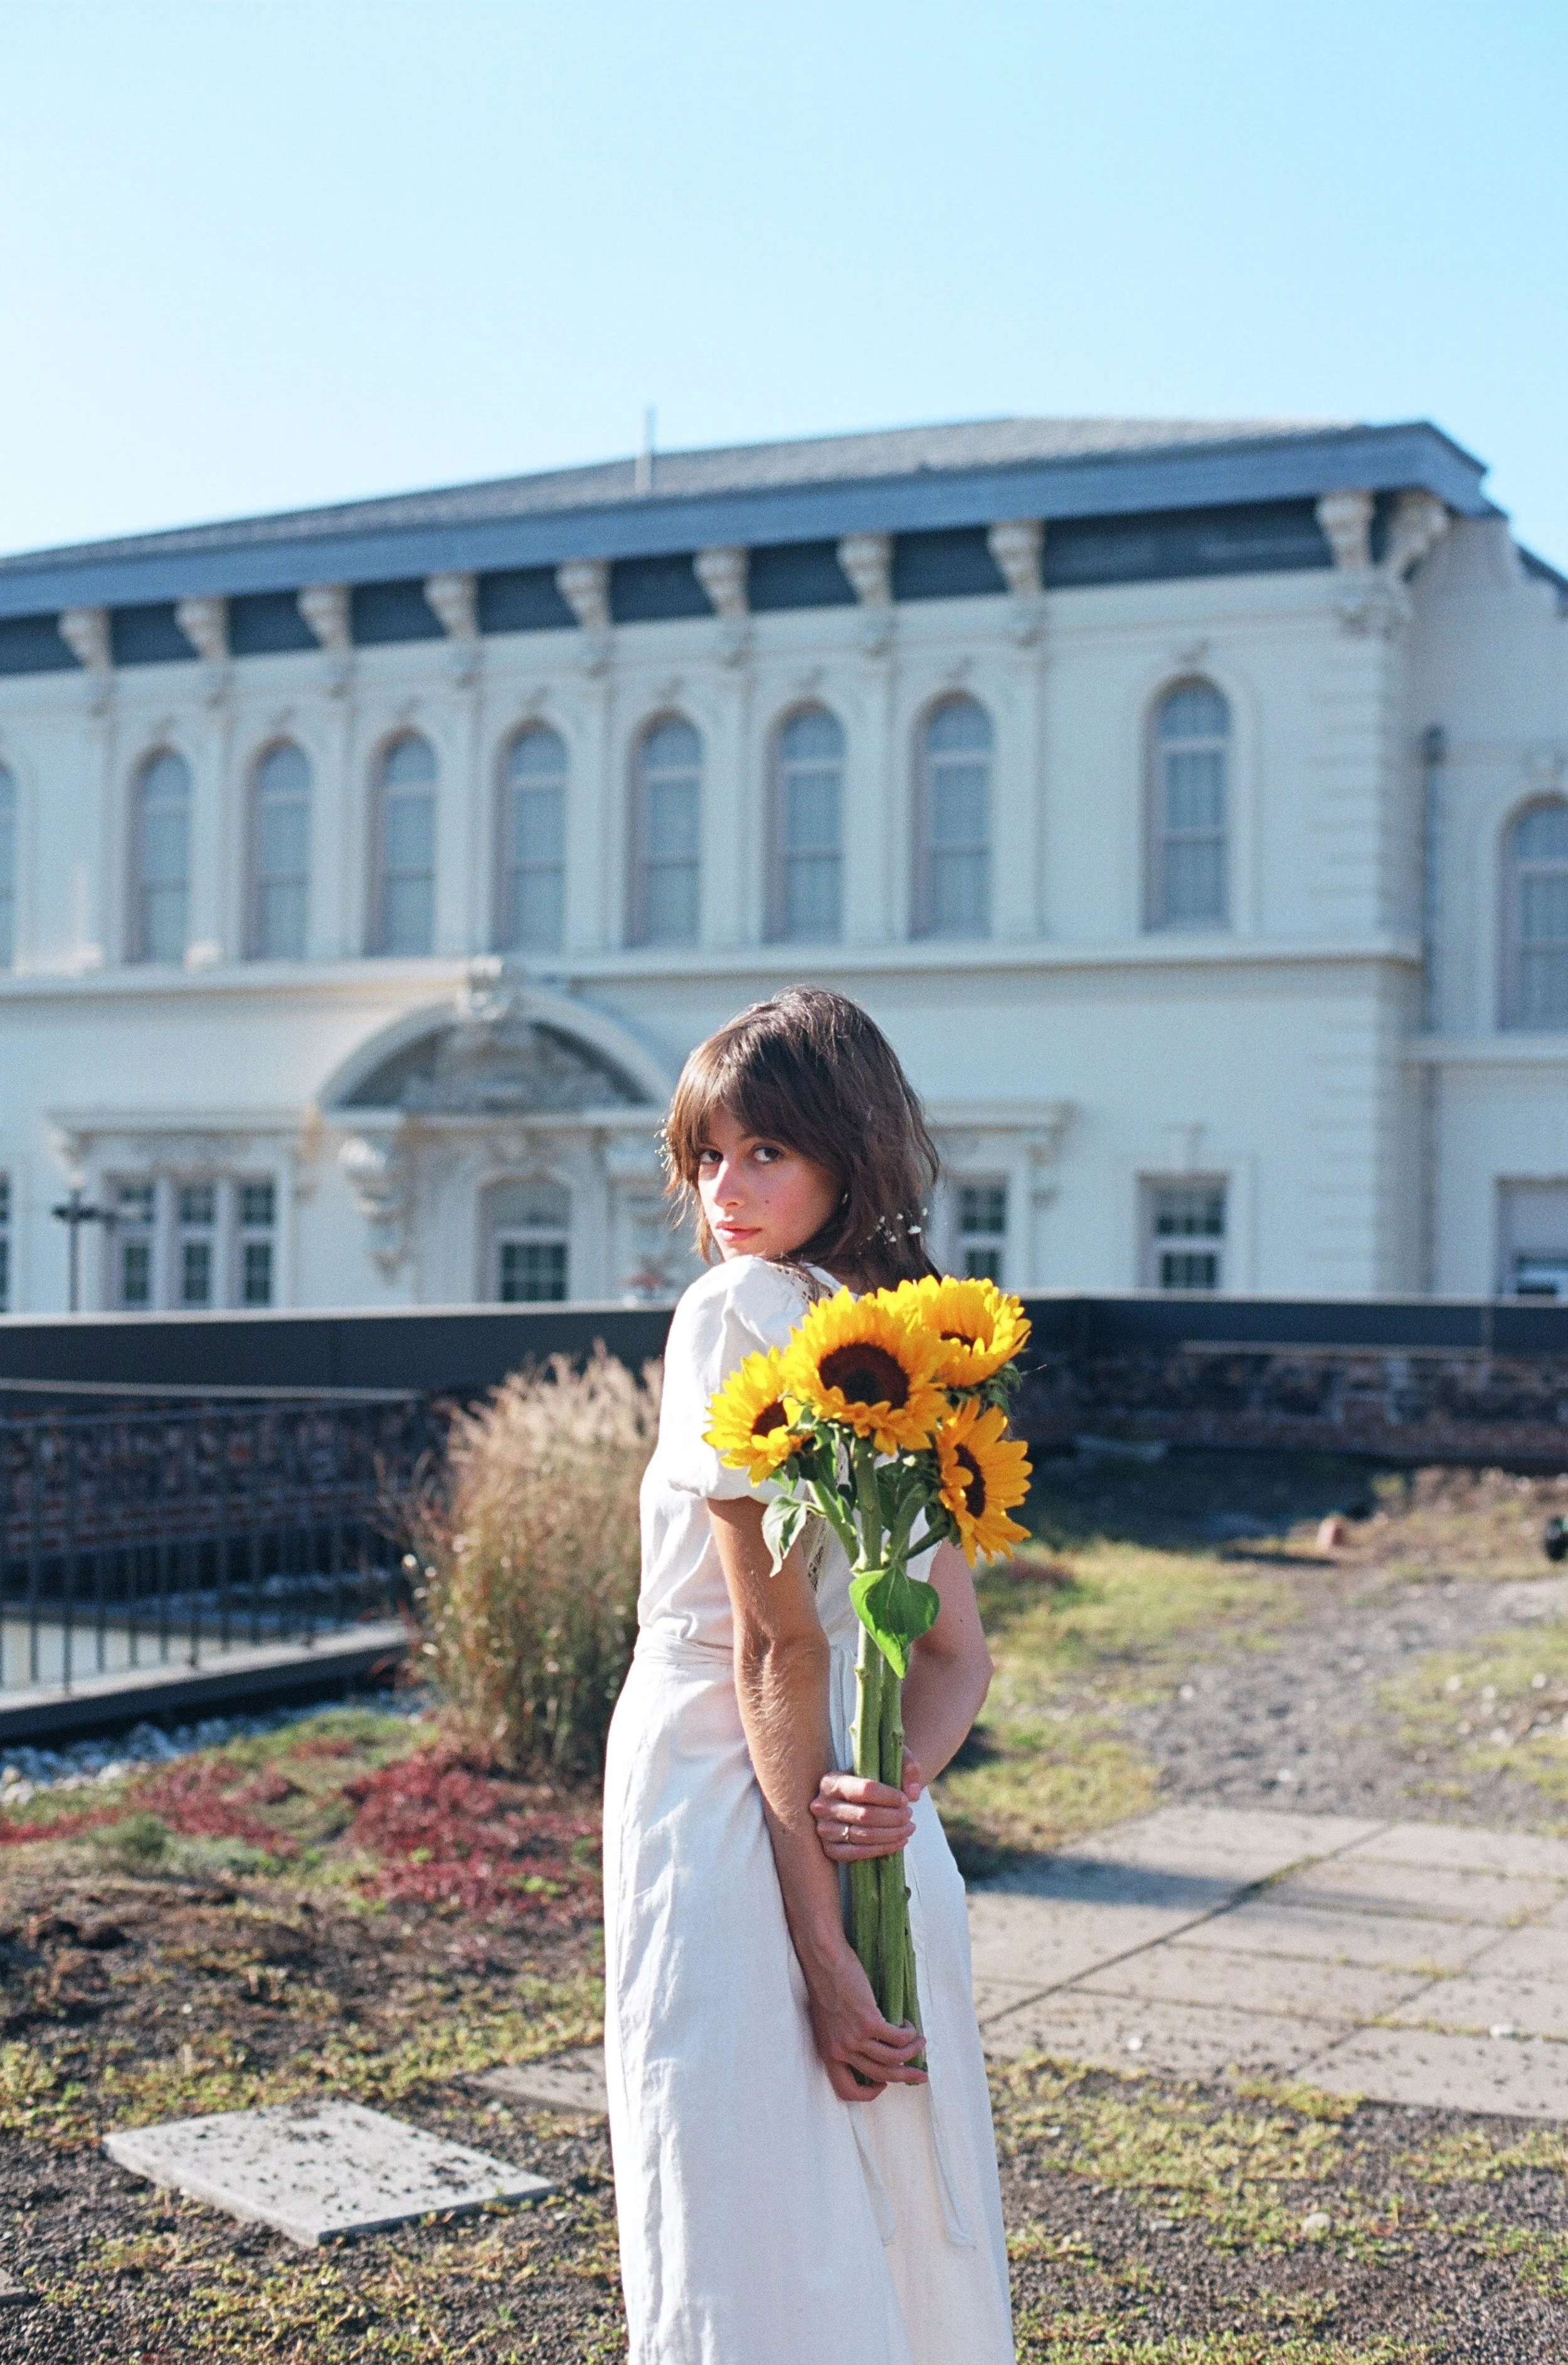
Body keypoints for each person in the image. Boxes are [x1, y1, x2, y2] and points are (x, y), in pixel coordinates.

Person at [603, 987, 1015, 2365]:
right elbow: (952, 1653)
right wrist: (889, 1789)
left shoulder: (736, 1311)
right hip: (854, 1796)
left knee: (739, 2202)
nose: (724, 1189)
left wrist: (823, 1942)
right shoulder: (895, 1342)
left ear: (846, 1154)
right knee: (889, 2197)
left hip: (731, 1792)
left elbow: (769, 1647)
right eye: (706, 1155)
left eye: (763, 1151)